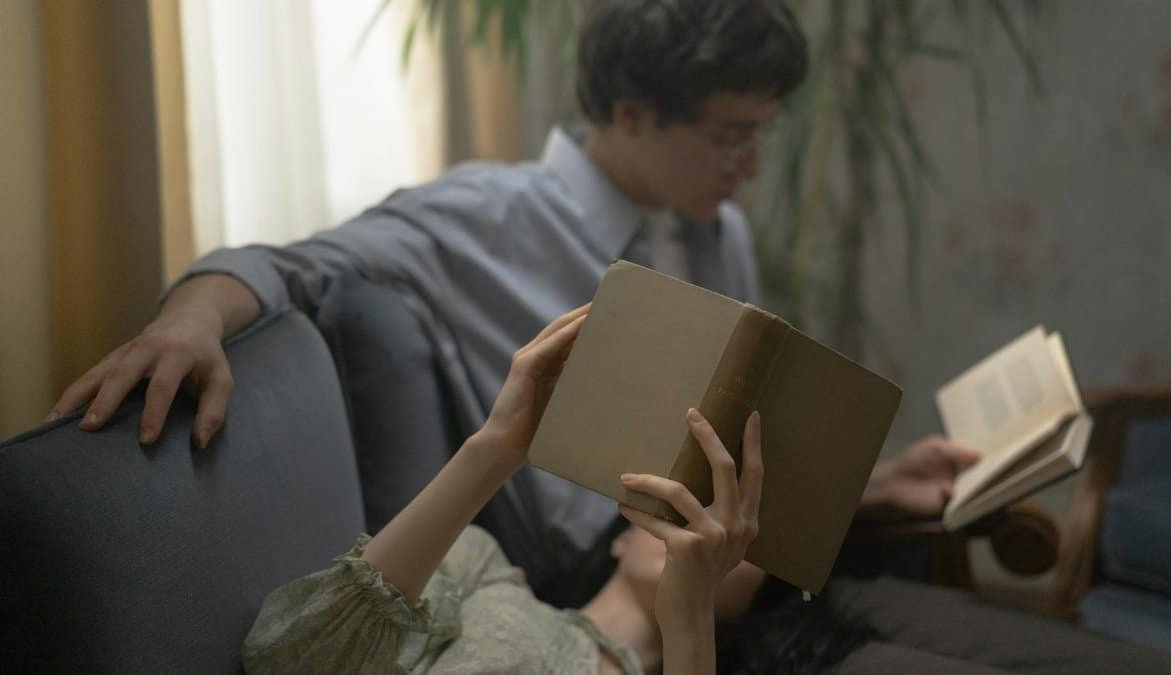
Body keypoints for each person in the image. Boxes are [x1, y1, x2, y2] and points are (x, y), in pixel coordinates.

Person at [45, 0, 974, 601]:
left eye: (761, 135)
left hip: (721, 558)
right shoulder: (484, 216)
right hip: (606, 578)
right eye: (731, 138)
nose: (752, 167)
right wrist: (190, 318)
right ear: (632, 112)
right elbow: (281, 262)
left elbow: (731, 438)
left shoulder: (715, 229)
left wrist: (871, 488)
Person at [243, 304, 768, 674]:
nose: (699, 521)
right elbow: (289, 661)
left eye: (739, 523)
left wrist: (690, 622)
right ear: (622, 536)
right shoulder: (479, 569)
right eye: (692, 496)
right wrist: (495, 449)